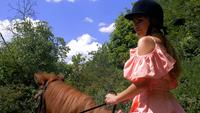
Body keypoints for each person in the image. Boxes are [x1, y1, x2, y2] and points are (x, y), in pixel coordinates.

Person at [104, 0, 186, 113]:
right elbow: (152, 83)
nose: (135, 26)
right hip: (167, 104)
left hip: (151, 106)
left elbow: (143, 84)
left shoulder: (146, 41)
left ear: (153, 21)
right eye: (134, 22)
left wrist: (116, 98)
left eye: (140, 21)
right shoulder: (164, 44)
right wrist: (126, 96)